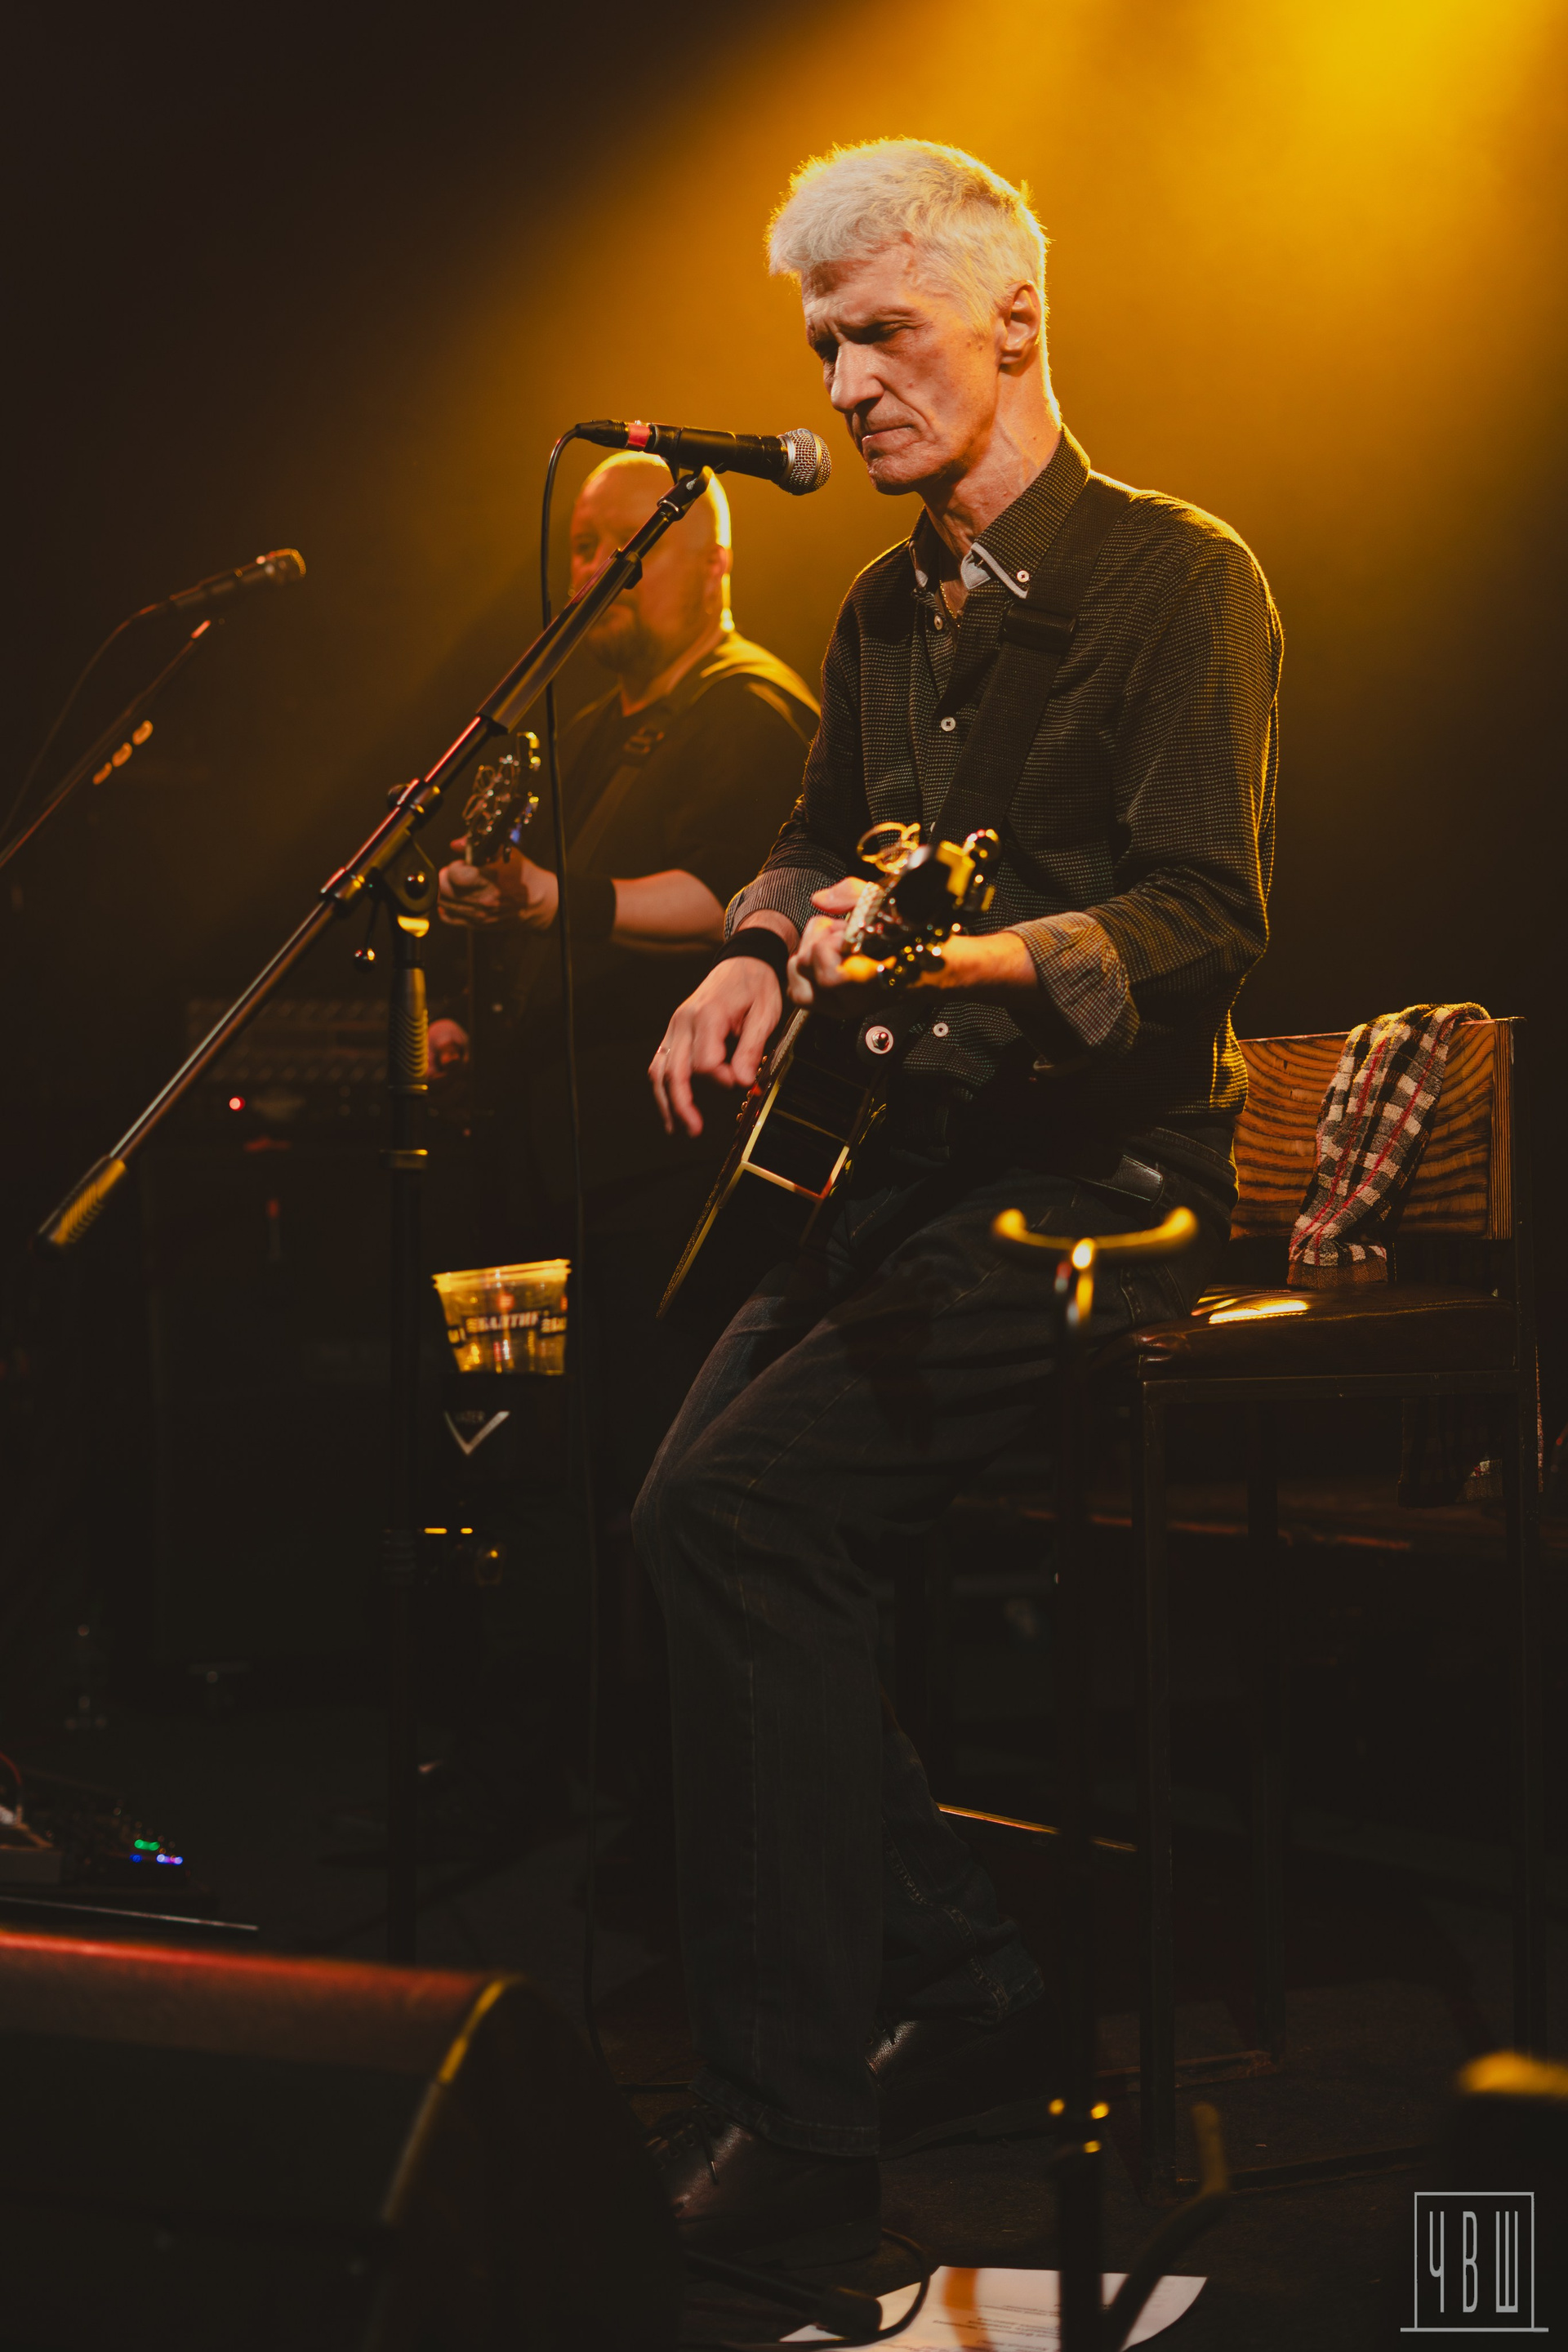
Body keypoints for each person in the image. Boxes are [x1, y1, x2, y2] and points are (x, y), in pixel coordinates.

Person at [635, 140, 1282, 2262]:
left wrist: (971, 963)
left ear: (1014, 321)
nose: (845, 387)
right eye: (824, 348)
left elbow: (1204, 913)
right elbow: (818, 833)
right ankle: (976, 1982)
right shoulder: (884, 608)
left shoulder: (1180, 580)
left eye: (884, 335)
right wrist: (755, 955)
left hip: (1108, 1180)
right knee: (682, 1515)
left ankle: (800, 2132)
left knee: (749, 1515)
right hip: (913, 1172)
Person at [427, 454, 817, 1833]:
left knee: (647, 1472)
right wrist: (476, 980)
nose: (600, 570)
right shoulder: (583, 727)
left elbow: (732, 900)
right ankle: (519, 1764)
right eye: (587, 544)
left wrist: (552, 900)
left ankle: (667, 1799)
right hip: (531, 1175)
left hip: (659, 1180)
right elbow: (540, 906)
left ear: (716, 567)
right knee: (511, 1454)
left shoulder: (752, 708)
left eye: (633, 546)